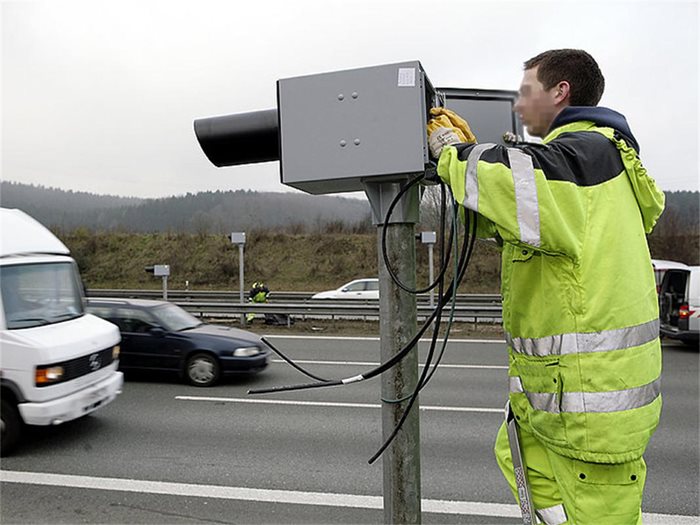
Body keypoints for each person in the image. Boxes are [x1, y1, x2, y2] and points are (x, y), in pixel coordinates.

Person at [426, 49, 664, 525]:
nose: (518, 105)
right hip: (556, 403)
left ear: (561, 92)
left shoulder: (586, 157)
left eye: (526, 92)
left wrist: (451, 149)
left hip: (591, 413)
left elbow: (516, 180)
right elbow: (507, 208)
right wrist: (466, 169)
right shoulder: (576, 165)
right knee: (522, 465)